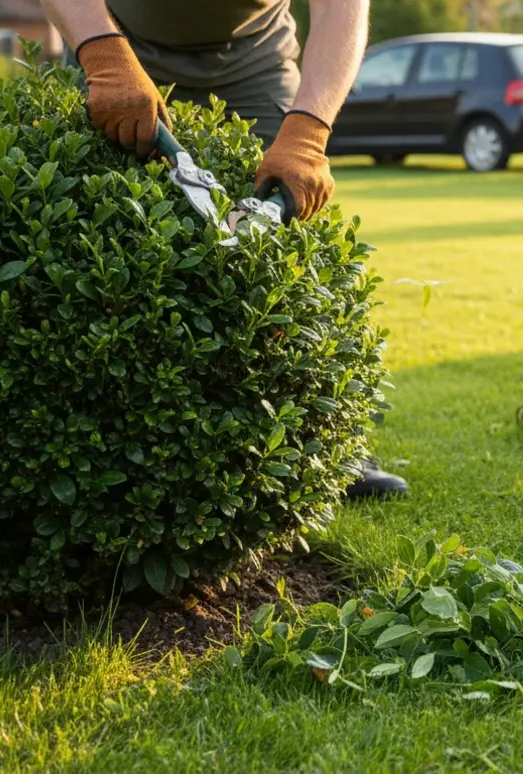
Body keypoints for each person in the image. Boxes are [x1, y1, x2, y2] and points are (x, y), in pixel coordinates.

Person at [40, 0, 409, 501]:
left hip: (251, 61)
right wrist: (104, 55)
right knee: (92, 248)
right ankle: (82, 445)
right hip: (113, 43)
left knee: (276, 262)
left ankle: (320, 448)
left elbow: (341, 8)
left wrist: (309, 130)